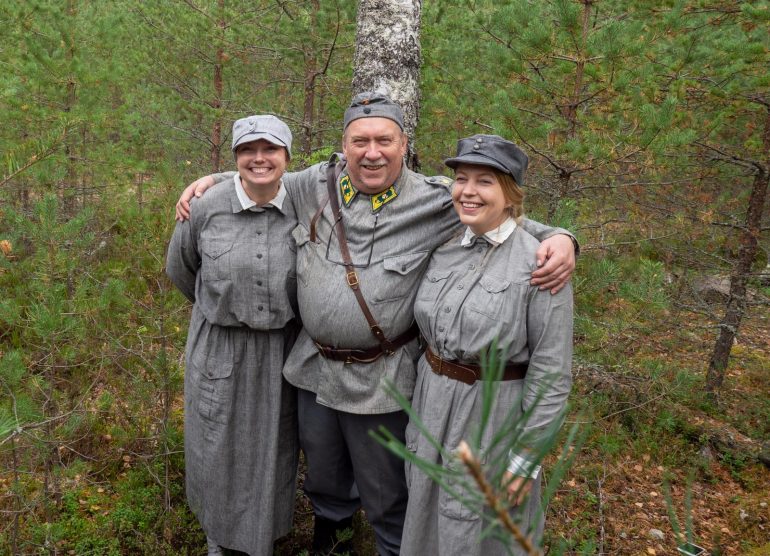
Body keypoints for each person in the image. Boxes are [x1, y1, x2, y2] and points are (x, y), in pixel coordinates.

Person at [175, 92, 577, 556]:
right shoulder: (315, 185)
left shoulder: (435, 200)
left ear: (404, 144)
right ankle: (333, 543)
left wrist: (562, 238)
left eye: (384, 140)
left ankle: (392, 545)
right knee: (323, 478)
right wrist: (212, 180)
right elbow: (262, 176)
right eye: (359, 141)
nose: (372, 153)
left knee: (387, 493)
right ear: (343, 146)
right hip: (313, 371)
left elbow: (498, 213)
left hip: (382, 380)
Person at [401, 134, 573, 555]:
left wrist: (526, 456)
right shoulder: (443, 247)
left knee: (478, 530)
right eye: (461, 179)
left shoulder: (540, 263)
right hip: (430, 405)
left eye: (485, 181)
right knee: (424, 518)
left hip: (491, 417)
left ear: (511, 193)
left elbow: (551, 374)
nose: (468, 191)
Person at [166, 115, 300, 556]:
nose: (259, 158)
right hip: (219, 347)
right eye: (247, 150)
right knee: (215, 444)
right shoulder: (205, 207)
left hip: (281, 350)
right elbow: (181, 269)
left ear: (287, 155)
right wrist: (224, 307)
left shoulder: (305, 201)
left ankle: (263, 538)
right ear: (236, 156)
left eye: (270, 149)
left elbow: (350, 167)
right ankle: (217, 540)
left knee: (273, 448)